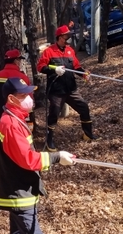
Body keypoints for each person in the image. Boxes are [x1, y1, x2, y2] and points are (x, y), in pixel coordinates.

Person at [0, 77, 76, 234]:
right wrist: (56, 157)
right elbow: (28, 160)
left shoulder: (15, 120)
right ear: (11, 99)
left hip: (20, 191)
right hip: (18, 193)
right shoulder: (10, 124)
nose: (30, 99)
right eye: (24, 95)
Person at [37, 23, 99, 151]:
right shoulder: (49, 52)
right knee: (54, 113)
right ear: (60, 37)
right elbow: (40, 67)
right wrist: (54, 70)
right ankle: (49, 140)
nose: (68, 38)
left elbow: (76, 67)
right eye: (66, 36)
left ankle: (88, 134)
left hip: (71, 89)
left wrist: (84, 74)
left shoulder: (70, 51)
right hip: (56, 91)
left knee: (84, 108)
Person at [0, 48, 31, 170]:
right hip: (17, 117)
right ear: (15, 61)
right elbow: (28, 101)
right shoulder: (22, 78)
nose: (20, 62)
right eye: (19, 60)